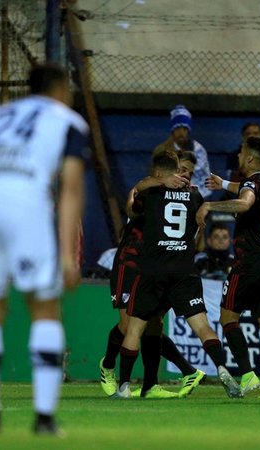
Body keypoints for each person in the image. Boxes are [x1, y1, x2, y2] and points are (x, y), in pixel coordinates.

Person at [0, 63, 88, 435]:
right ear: (62, 89)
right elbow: (70, 189)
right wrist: (67, 255)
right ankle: (44, 418)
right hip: (24, 198)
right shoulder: (66, 120)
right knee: (44, 305)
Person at [113, 151, 242, 399]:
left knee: (134, 330)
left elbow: (131, 210)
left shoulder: (151, 193)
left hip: (152, 271)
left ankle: (124, 387)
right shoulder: (195, 196)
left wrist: (152, 186)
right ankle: (222, 368)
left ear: (158, 172)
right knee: (203, 327)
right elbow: (196, 228)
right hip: (184, 271)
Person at [99, 153, 207, 399]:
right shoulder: (146, 188)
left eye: (188, 172)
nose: (183, 176)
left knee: (154, 325)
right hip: (131, 264)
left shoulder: (186, 197)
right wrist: (159, 182)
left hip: (158, 267)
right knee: (129, 325)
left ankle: (150, 385)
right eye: (180, 170)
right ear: (164, 173)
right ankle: (107, 366)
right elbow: (136, 194)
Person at [198, 135, 260, 399]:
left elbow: (246, 201)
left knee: (228, 318)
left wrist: (210, 204)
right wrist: (224, 183)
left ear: (249, 158)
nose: (237, 157)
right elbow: (250, 190)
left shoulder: (252, 183)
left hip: (248, 262)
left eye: (241, 153)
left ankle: (248, 375)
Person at [153, 105, 211, 198]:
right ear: (172, 130)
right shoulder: (161, 150)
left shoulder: (198, 149)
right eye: (177, 128)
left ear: (188, 131)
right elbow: (155, 175)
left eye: (184, 129)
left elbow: (201, 176)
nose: (181, 133)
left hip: (199, 194)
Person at [223, 122, 260, 200]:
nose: (251, 136)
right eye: (247, 133)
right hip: (238, 193)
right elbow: (231, 177)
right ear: (243, 137)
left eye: (255, 133)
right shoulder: (235, 155)